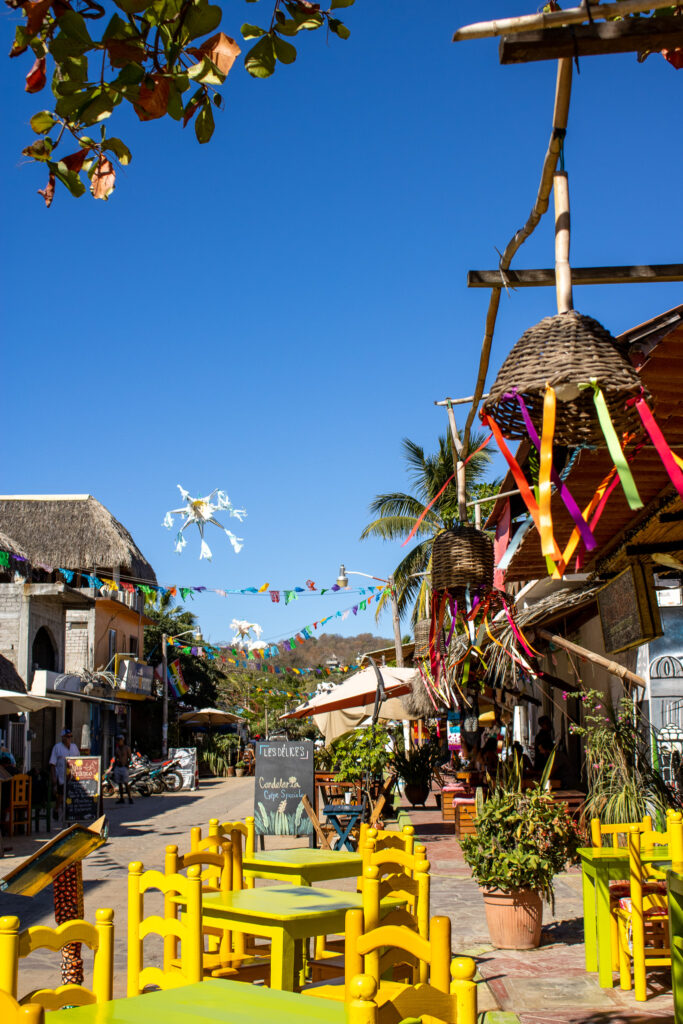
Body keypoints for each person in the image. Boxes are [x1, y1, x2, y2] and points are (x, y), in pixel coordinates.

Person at [49, 727, 80, 819]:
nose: (68, 738)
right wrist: (54, 778)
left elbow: (79, 760)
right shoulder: (57, 748)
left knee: (72, 795)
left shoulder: (74, 747)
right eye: (67, 736)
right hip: (61, 776)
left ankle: (69, 813)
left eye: (70, 736)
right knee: (61, 795)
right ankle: (57, 809)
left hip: (73, 776)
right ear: (62, 737)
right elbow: (52, 764)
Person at [113, 734, 133, 804]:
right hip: (118, 767)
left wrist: (127, 765)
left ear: (122, 740)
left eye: (120, 740)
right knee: (120, 784)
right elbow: (116, 757)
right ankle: (121, 798)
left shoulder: (126, 748)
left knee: (126, 783)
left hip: (124, 767)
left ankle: (130, 798)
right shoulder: (117, 749)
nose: (119, 742)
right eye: (118, 740)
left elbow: (130, 758)